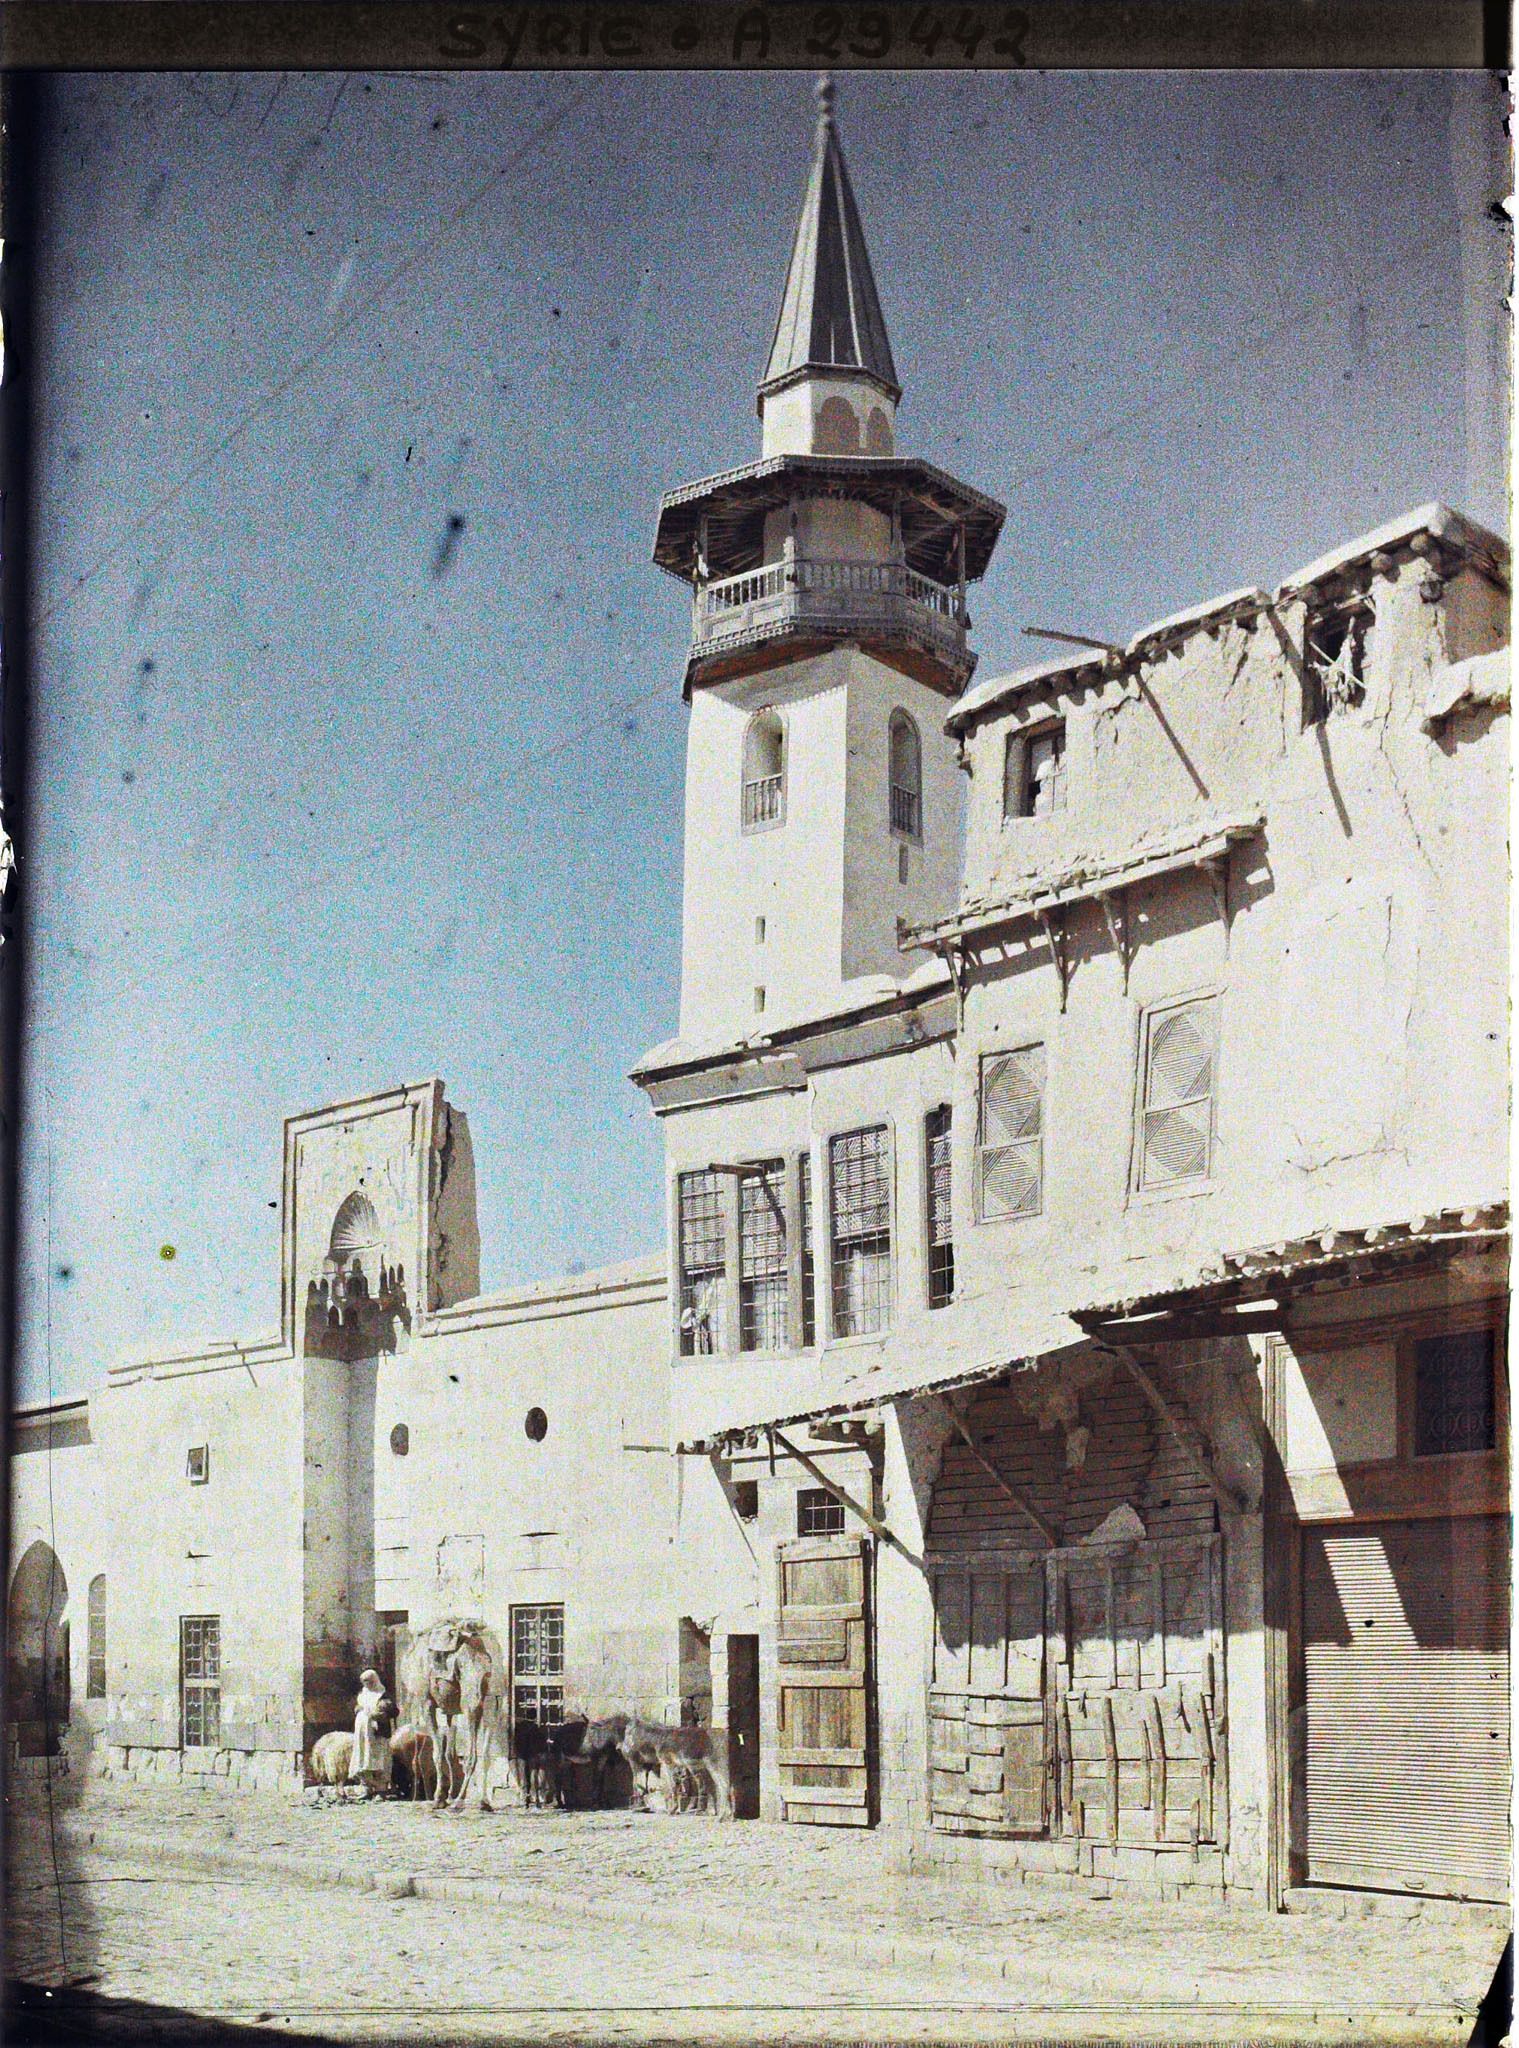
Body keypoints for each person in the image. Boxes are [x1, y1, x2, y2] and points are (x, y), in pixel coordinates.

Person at [348, 1668, 396, 1797]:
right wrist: (358, 1709)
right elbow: (356, 1707)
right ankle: (367, 1788)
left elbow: (394, 1711)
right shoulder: (362, 1694)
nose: (366, 1684)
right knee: (364, 1759)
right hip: (363, 1734)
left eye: (368, 1681)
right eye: (364, 1681)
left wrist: (381, 1711)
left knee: (379, 1760)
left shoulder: (383, 1694)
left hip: (377, 1734)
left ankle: (381, 1791)